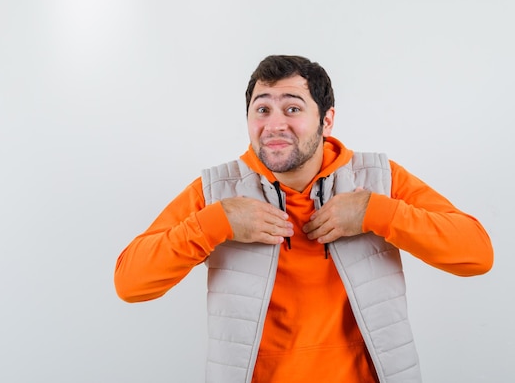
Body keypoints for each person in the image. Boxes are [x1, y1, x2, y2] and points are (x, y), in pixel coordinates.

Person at [114, 55, 493, 383]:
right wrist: (217, 222)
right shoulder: (216, 191)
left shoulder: (380, 178)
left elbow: (477, 253)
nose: (275, 125)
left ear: (327, 120)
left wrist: (377, 212)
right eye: (262, 109)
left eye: (292, 108)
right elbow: (130, 283)